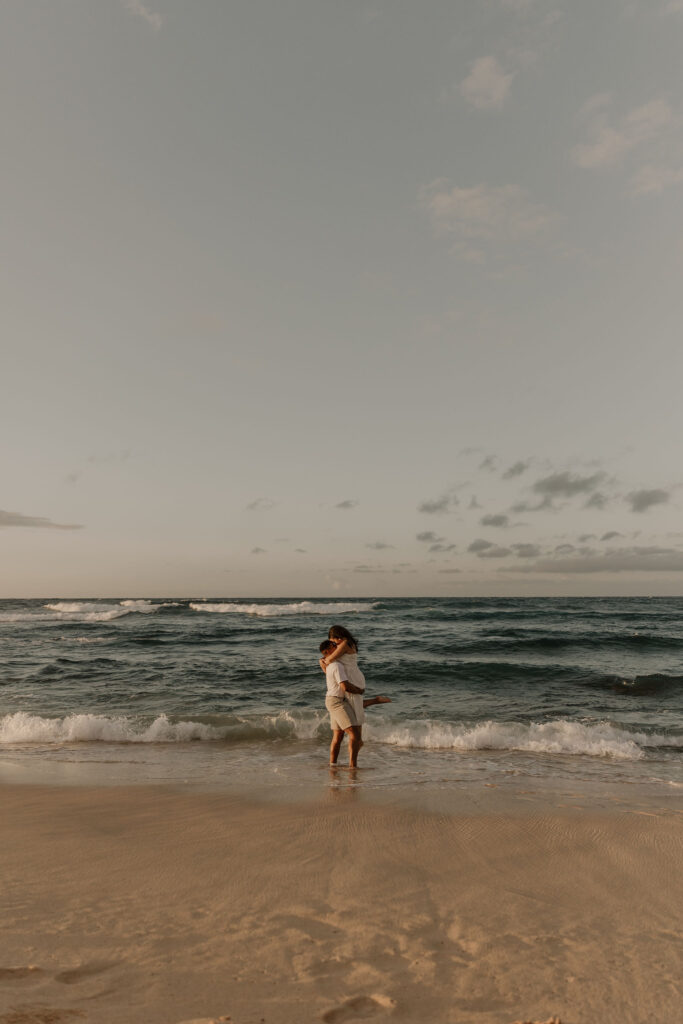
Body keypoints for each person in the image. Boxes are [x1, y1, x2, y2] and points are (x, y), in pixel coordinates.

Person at [320, 630, 390, 767]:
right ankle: (353, 766)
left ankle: (332, 765)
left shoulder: (332, 664)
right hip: (336, 701)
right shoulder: (337, 665)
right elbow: (345, 686)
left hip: (333, 699)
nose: (337, 647)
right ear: (329, 650)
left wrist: (323, 662)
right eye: (333, 645)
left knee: (338, 736)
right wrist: (359, 690)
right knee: (354, 734)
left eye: (335, 643)